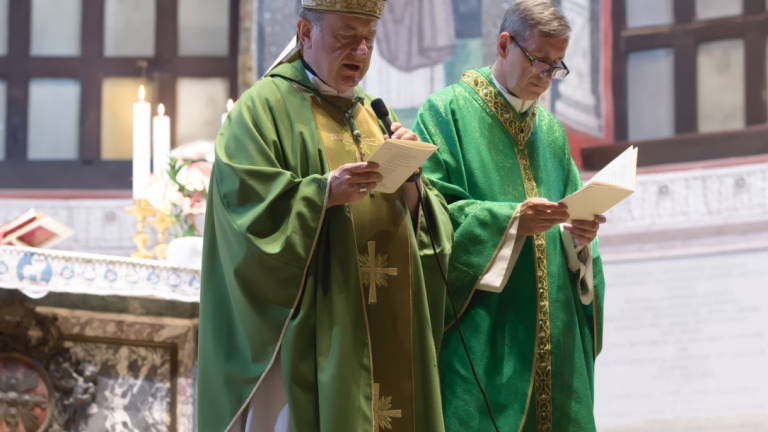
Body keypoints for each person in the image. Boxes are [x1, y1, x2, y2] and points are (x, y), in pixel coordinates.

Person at [197, 1, 453, 431]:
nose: (360, 51)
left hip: (385, 320)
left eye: (369, 40)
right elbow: (243, 212)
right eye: (346, 37)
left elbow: (426, 227)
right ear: (305, 32)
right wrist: (321, 194)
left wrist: (412, 181)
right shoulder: (261, 110)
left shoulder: (374, 114)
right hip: (315, 332)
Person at [412, 1, 606, 431]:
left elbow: (570, 215)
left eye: (557, 66)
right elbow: (432, 214)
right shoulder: (446, 113)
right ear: (504, 44)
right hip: (485, 336)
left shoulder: (552, 133)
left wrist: (579, 240)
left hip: (554, 342)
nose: (546, 76)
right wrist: (510, 221)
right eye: (539, 61)